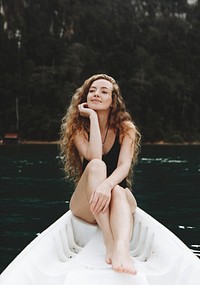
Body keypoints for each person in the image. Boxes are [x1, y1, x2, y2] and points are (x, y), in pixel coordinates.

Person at [60, 74, 141, 275]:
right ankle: (109, 239)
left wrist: (106, 186)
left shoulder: (125, 129)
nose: (96, 94)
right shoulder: (79, 128)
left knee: (119, 191)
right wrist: (93, 118)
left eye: (104, 91)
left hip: (115, 198)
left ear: (113, 101)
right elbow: (94, 156)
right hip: (88, 204)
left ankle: (121, 248)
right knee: (97, 166)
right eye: (93, 90)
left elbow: (124, 167)